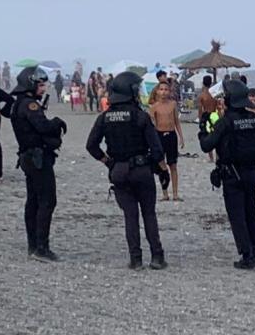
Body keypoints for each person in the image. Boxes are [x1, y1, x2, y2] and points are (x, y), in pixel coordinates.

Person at [86, 71, 169, 270]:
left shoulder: (104, 118)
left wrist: (109, 162)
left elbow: (91, 146)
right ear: (131, 91)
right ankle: (157, 257)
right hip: (141, 170)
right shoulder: (140, 116)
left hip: (119, 171)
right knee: (149, 213)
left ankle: (135, 258)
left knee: (130, 216)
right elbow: (157, 150)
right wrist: (160, 169)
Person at [200, 79, 255, 270]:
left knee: (237, 214)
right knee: (250, 210)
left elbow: (206, 146)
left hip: (231, 173)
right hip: (251, 171)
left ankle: (246, 253)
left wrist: (202, 130)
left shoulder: (225, 122)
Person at [11, 66, 66, 262]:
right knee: (47, 200)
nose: (43, 88)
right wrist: (57, 123)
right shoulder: (29, 105)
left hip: (29, 157)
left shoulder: (19, 104)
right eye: (40, 85)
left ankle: (33, 245)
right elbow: (42, 126)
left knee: (33, 201)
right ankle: (41, 247)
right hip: (37, 158)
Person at [149, 82, 185, 201]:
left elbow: (176, 122)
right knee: (161, 166)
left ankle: (175, 193)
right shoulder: (154, 107)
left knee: (173, 165)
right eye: (161, 89)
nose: (163, 92)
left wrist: (181, 137)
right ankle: (165, 193)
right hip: (159, 136)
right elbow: (151, 126)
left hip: (171, 135)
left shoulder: (173, 104)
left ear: (169, 92)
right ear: (157, 91)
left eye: (166, 90)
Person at [197, 75, 218, 162]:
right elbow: (218, 106)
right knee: (217, 135)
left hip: (206, 115)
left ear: (203, 83)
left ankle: (211, 158)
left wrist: (200, 119)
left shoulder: (202, 95)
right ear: (211, 82)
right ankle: (217, 157)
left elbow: (200, 109)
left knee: (208, 136)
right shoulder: (214, 94)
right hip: (214, 115)